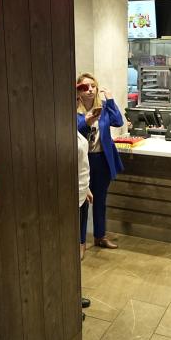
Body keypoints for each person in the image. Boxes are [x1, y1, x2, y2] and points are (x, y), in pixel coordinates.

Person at [77, 73, 124, 254]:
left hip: (102, 159)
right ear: (77, 91)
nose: (89, 90)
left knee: (100, 200)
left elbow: (118, 121)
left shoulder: (103, 108)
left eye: (92, 86)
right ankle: (80, 242)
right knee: (82, 202)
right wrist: (87, 123)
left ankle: (100, 236)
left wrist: (110, 100)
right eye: (84, 87)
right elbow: (74, 133)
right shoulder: (73, 110)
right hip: (83, 161)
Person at [77, 130, 93, 314]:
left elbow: (81, 165)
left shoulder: (73, 126)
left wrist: (87, 187)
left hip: (81, 196)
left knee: (75, 251)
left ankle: (74, 293)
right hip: (69, 197)